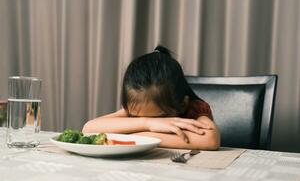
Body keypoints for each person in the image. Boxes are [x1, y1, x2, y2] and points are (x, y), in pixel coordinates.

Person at [83, 46, 220, 150]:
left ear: (182, 104)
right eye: (137, 117)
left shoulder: (194, 108)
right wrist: (147, 123)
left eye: (159, 118)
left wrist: (135, 136)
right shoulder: (135, 110)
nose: (156, 123)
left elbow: (211, 140)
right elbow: (88, 129)